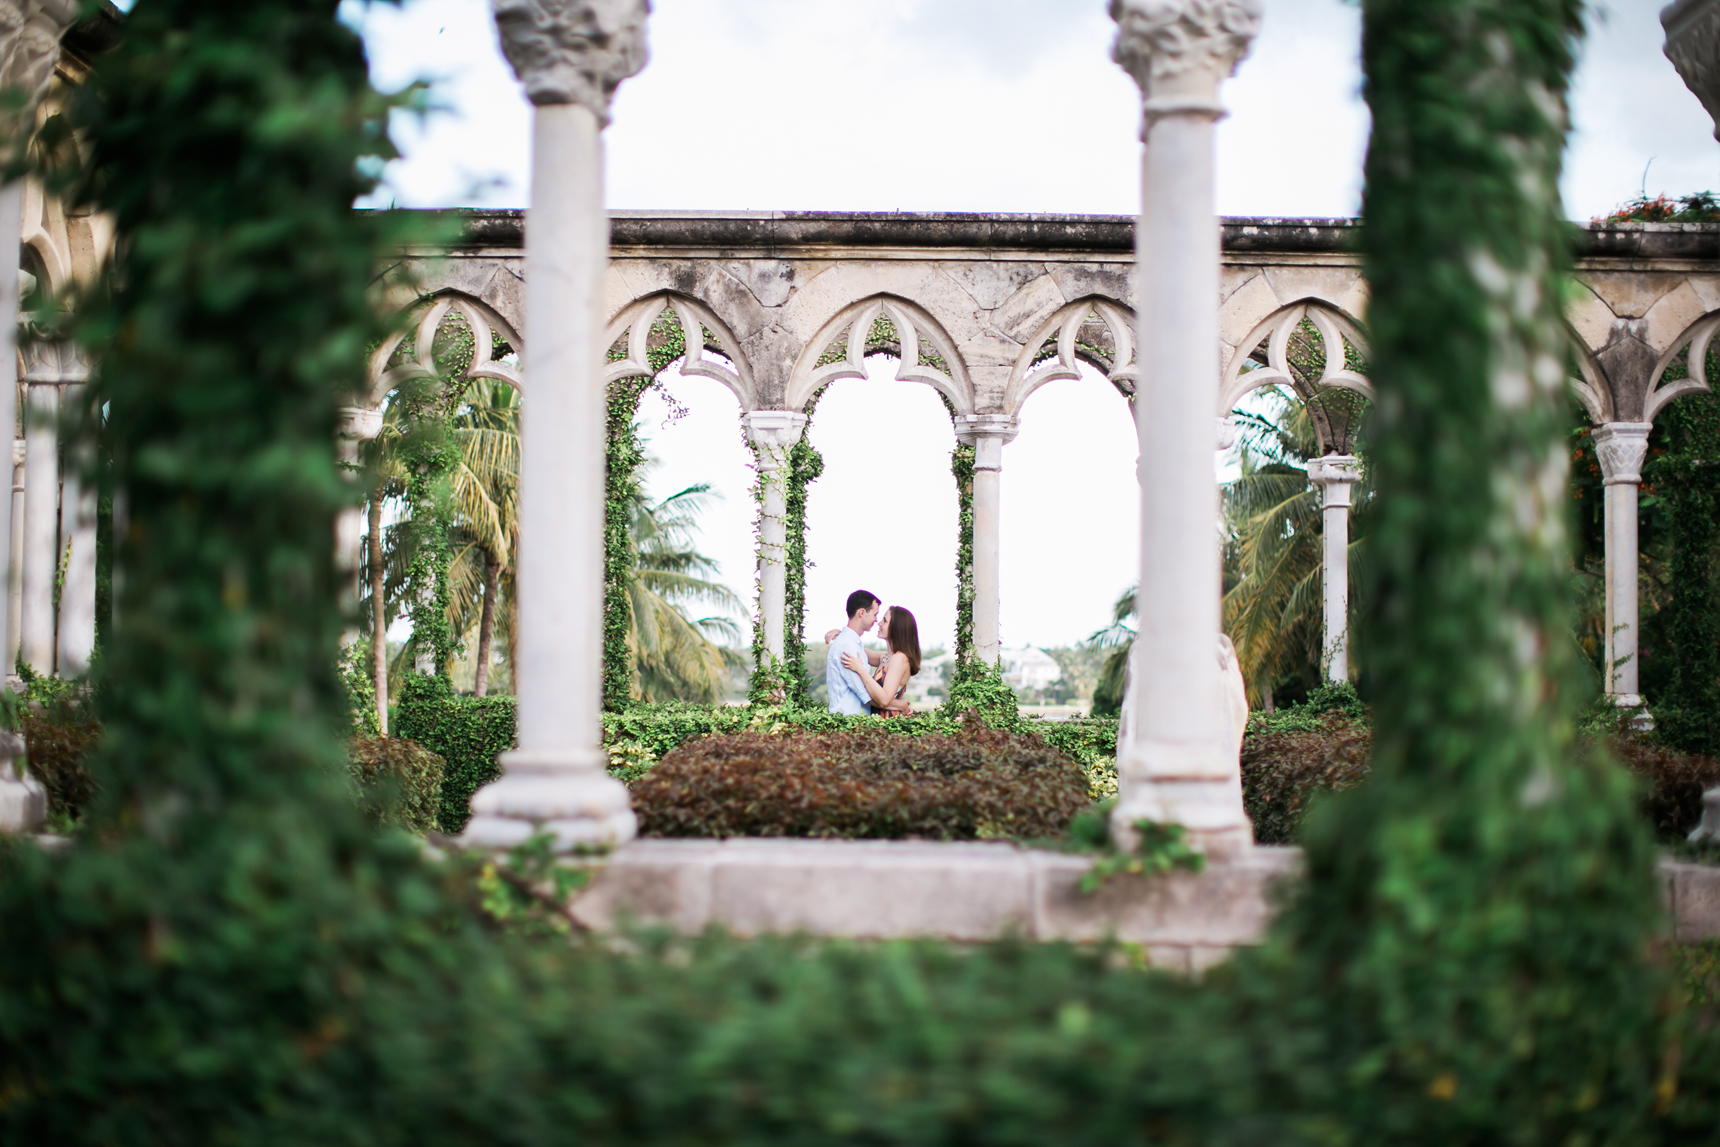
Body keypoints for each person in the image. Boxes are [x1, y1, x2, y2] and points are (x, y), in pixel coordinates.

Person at [842, 605, 920, 717]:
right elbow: (857, 650)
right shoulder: (887, 657)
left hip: (888, 724)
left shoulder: (899, 658)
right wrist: (843, 635)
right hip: (880, 722)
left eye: (885, 620)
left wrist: (861, 670)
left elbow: (884, 699)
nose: (879, 623)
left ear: (896, 628)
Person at [825, 590, 880, 715]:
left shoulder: (853, 643)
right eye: (875, 614)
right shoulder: (846, 645)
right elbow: (863, 693)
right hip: (845, 723)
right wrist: (895, 705)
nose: (876, 620)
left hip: (851, 723)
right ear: (861, 613)